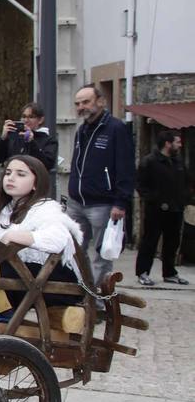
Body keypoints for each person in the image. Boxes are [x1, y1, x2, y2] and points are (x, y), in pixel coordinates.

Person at [0, 155, 84, 309]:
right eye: (8, 173)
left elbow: (59, 238)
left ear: (35, 184)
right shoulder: (3, 210)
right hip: (27, 279)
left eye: (20, 174)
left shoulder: (45, 208)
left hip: (57, 284)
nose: (11, 178)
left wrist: (19, 236)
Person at [67, 85, 135, 282]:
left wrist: (121, 202)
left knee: (101, 255)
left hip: (103, 204)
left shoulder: (116, 128)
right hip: (77, 202)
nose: (81, 107)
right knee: (73, 249)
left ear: (100, 102)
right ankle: (81, 291)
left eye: (86, 102)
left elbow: (126, 166)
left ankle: (97, 301)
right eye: (77, 103)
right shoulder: (81, 130)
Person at [135, 129, 189, 286]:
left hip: (176, 209)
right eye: (177, 142)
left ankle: (170, 272)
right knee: (150, 241)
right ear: (168, 144)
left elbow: (185, 182)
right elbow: (140, 184)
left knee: (172, 242)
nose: (180, 145)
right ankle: (143, 272)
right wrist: (153, 199)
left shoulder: (178, 162)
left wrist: (183, 199)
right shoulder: (150, 161)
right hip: (156, 209)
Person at [0, 101, 58, 171]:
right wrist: (2, 138)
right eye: (24, 117)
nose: (26, 120)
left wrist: (32, 143)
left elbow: (47, 165)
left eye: (31, 117)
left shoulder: (49, 141)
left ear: (40, 120)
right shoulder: (14, 138)